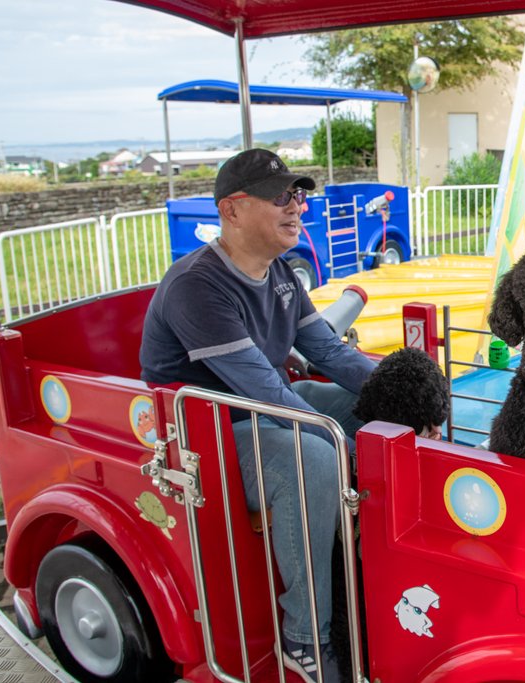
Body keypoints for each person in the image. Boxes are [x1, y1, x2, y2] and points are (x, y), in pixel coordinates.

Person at [140, 148, 374, 683]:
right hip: (207, 433)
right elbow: (265, 390)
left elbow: (332, 354)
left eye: (299, 195)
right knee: (314, 454)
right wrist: (345, 445)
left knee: (367, 408)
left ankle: (369, 561)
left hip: (254, 413)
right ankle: (305, 633)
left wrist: (408, 395)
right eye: (280, 197)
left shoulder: (283, 277)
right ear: (233, 210)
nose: (296, 207)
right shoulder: (198, 286)